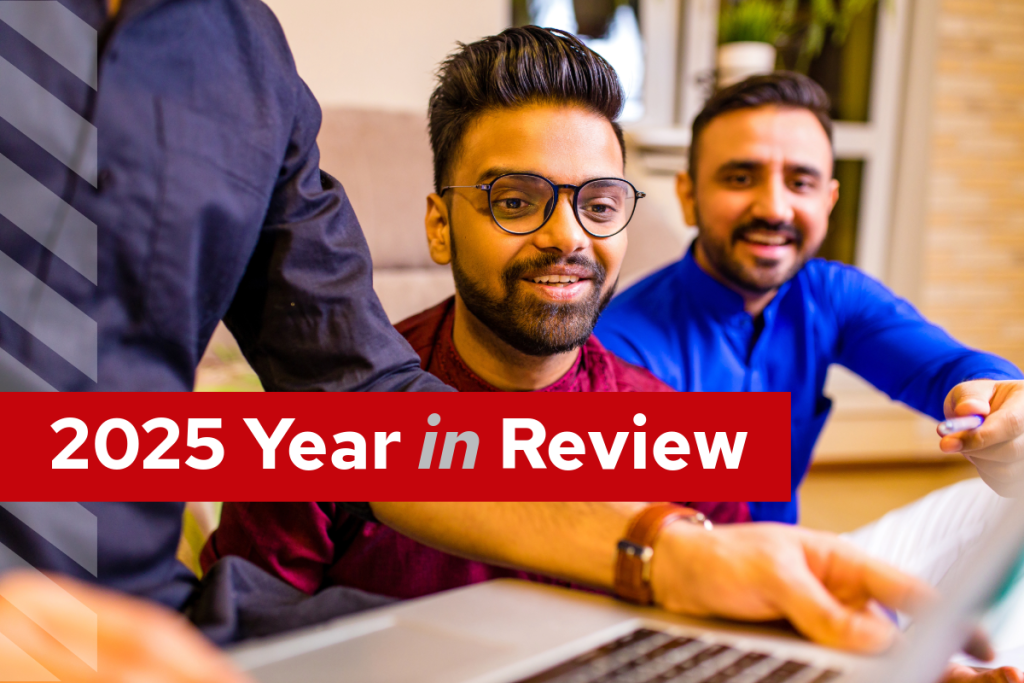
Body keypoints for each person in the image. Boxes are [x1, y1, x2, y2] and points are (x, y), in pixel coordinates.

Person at [203, 33, 1010, 682]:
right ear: (441, 225)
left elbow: (734, 634)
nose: (567, 235)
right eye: (516, 200)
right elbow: (233, 644)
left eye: (599, 202)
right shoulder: (330, 415)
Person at [0, 0, 445, 678]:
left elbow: (362, 389)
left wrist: (643, 534)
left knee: (425, 657)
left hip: (147, 616)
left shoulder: (246, 50)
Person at [594, 72, 1024, 525]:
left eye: (801, 182)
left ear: (829, 201)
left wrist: (999, 397)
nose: (775, 209)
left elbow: (948, 369)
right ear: (688, 195)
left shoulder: (832, 295)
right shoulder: (619, 347)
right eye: (740, 178)